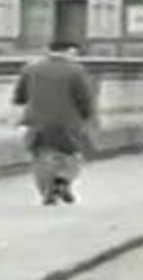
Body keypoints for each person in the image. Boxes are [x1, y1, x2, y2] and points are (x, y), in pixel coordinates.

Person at [13, 41, 95, 205]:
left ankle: (46, 190)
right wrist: (87, 115)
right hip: (68, 121)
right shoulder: (76, 70)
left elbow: (20, 96)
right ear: (69, 51)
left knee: (42, 155)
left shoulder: (31, 68)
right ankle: (63, 180)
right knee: (71, 155)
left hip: (38, 121)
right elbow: (84, 97)